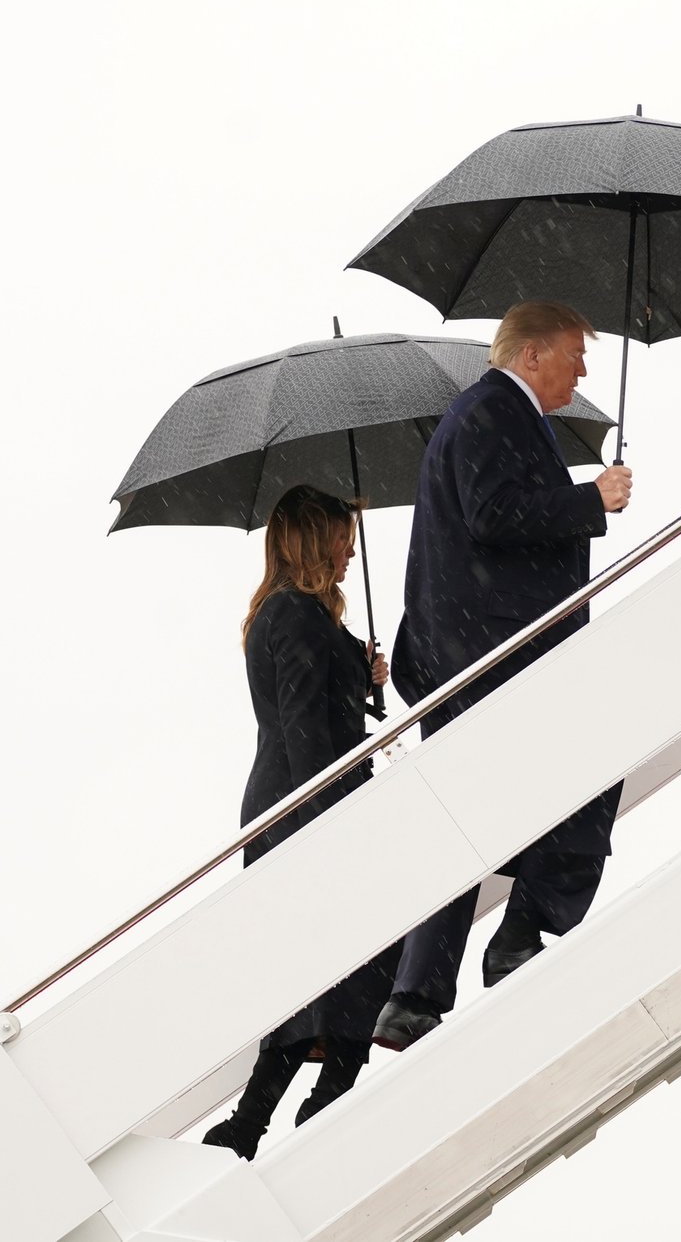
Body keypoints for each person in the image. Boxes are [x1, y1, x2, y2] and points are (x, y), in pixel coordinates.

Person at [372, 301, 632, 1051]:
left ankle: (416, 996)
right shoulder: (492, 410)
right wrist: (594, 498)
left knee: (467, 824)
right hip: (498, 653)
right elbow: (494, 515)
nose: (583, 369)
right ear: (531, 356)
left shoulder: (486, 413)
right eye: (575, 354)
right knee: (594, 769)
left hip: (470, 653)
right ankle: (526, 925)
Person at [203, 485, 397, 1160]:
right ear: (316, 541)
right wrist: (336, 821)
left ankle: (254, 1124)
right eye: (344, 537)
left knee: (321, 967)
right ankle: (311, 1103)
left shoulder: (292, 615)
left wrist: (362, 672)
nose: (352, 550)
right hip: (304, 809)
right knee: (355, 957)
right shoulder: (297, 617)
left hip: (293, 807)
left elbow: (316, 707)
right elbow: (307, 728)